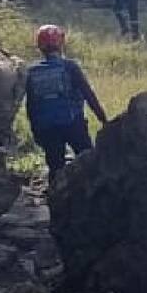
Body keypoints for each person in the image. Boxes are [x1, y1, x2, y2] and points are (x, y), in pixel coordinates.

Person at [24, 24, 108, 180]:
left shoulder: (31, 72)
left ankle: (55, 199)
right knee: (89, 162)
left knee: (56, 167)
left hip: (47, 127)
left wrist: (36, 130)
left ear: (39, 46)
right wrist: (103, 119)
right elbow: (88, 94)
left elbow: (31, 105)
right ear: (61, 43)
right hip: (73, 123)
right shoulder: (70, 67)